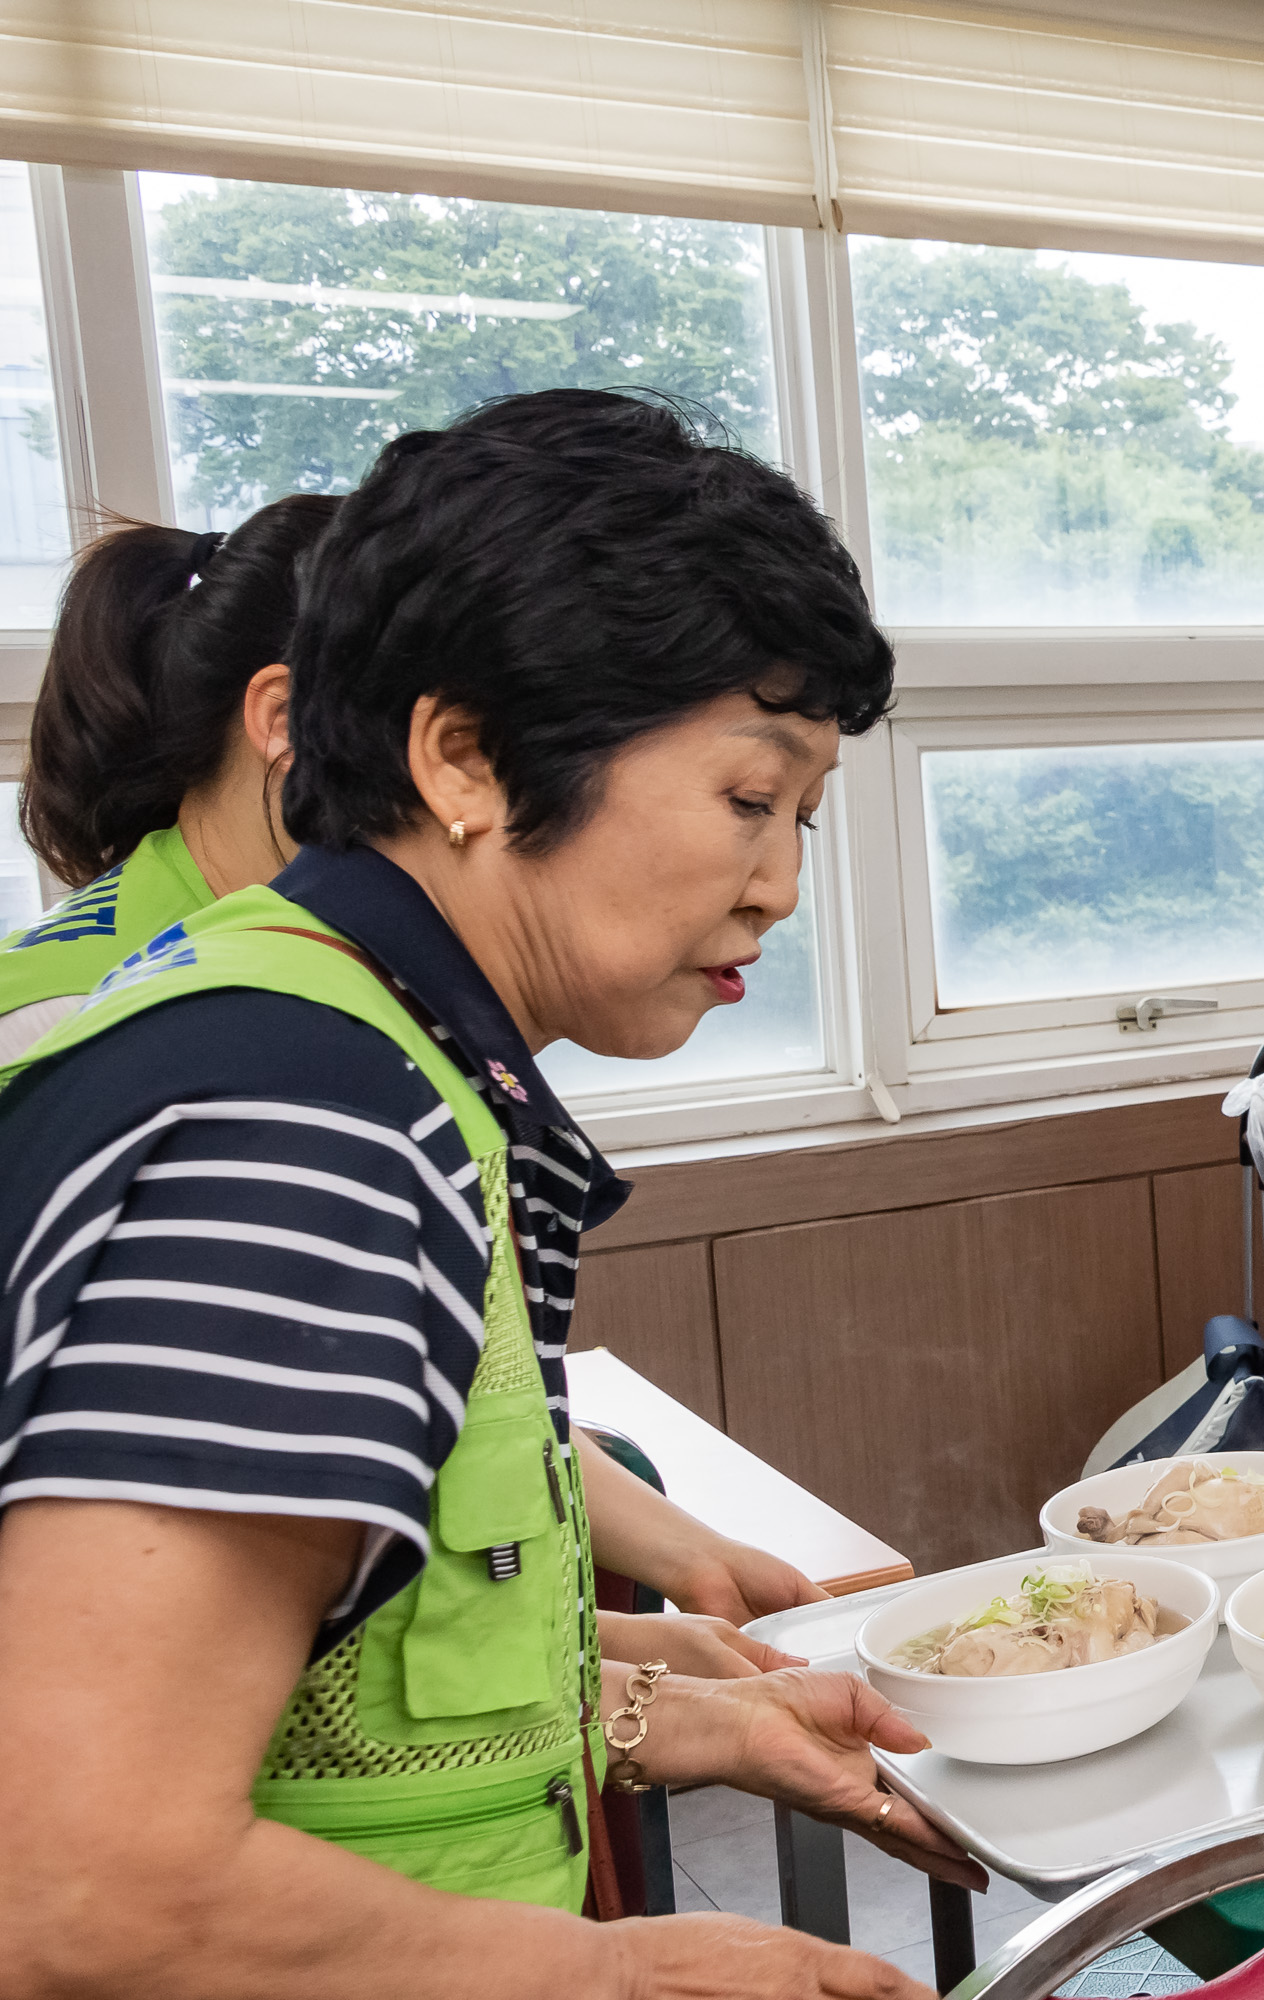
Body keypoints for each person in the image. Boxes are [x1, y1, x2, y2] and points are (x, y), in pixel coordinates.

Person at [0, 388, 977, 1996]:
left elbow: (315, 1690)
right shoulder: (300, 1133)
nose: (781, 884)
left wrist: (672, 1714)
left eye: (806, 815)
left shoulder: (365, 1057)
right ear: (461, 756)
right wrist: (630, 1976)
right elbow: (95, 1892)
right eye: (749, 796)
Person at [4, 498, 825, 1680]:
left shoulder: (375, 1013)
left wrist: (626, 1661)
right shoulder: (257, 1083)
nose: (779, 888)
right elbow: (112, 1811)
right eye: (748, 800)